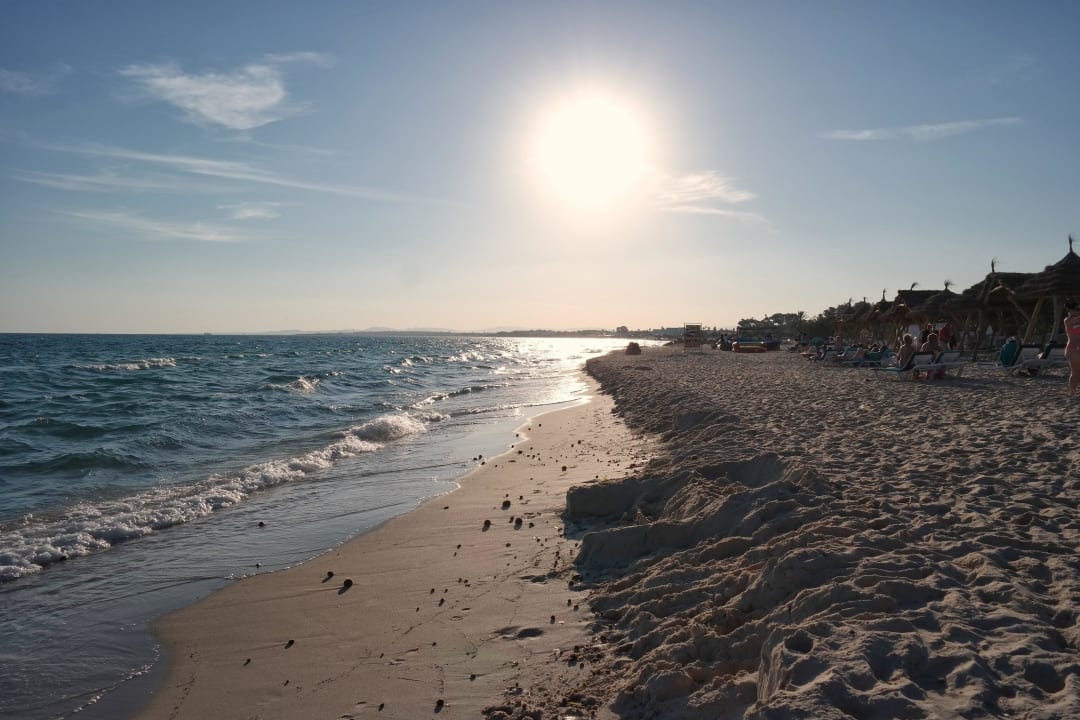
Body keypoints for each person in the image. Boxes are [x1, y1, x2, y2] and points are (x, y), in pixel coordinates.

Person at [1065, 301, 1080, 396]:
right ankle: (1072, 391)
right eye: (1077, 309)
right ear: (1069, 310)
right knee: (1075, 371)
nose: (1078, 311)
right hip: (1072, 348)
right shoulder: (1067, 320)